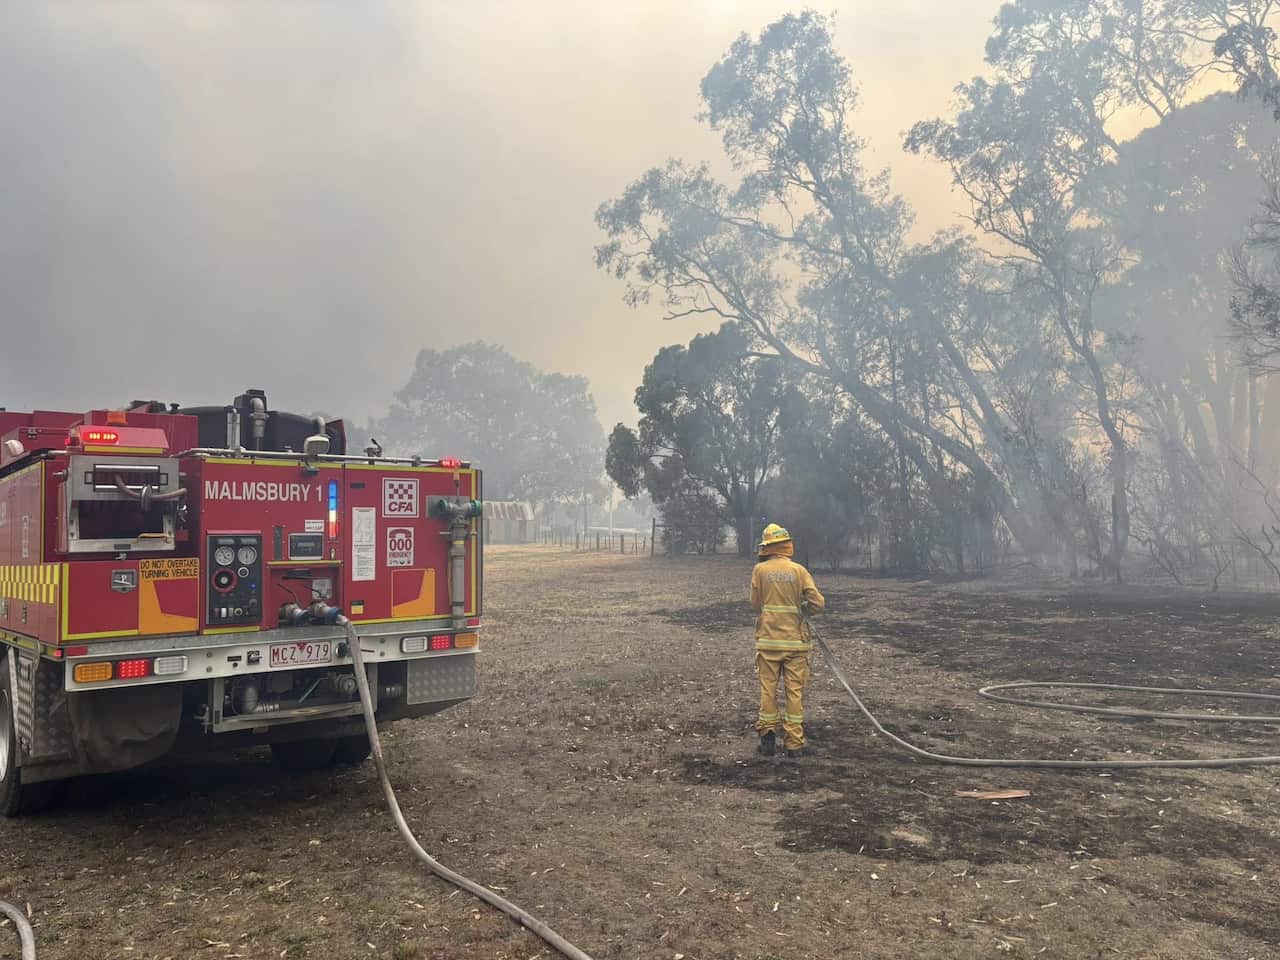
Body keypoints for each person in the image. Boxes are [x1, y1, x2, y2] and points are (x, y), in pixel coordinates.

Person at [750, 523, 824, 759]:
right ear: (786, 545)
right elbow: (818, 604)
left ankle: (767, 739)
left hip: (768, 642)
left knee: (767, 691)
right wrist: (802, 608)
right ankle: (794, 744)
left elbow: (754, 603)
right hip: (795, 645)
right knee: (794, 693)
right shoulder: (799, 571)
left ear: (767, 546)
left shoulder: (759, 571)